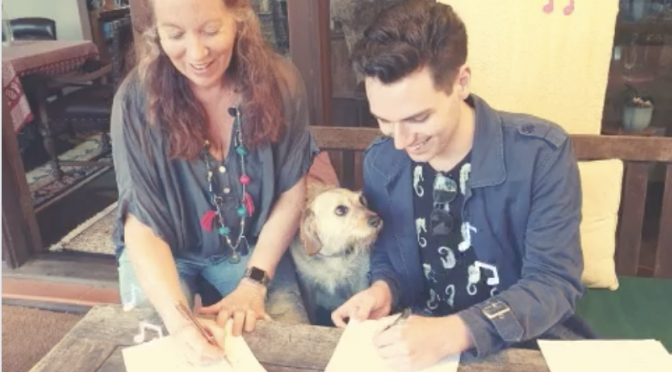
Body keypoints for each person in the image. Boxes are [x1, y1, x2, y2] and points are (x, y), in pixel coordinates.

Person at [332, 1, 596, 370]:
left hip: (525, 341)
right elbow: (390, 257)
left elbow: (554, 283)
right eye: (384, 120)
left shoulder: (540, 154)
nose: (401, 141)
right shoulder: (383, 161)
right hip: (421, 339)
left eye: (418, 118)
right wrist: (383, 290)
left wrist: (457, 331)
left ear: (461, 81)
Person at [110, 0, 319, 365]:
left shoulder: (282, 84)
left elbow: (290, 190)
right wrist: (179, 323)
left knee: (290, 354)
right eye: (174, 34)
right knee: (157, 354)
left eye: (210, 31)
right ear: (156, 31)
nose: (196, 53)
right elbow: (141, 225)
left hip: (250, 249)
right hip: (163, 253)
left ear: (239, 17)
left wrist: (254, 283)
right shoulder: (135, 101)